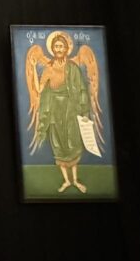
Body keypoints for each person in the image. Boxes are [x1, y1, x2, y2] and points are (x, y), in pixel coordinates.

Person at [27, 31, 99, 194]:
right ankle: (66, 181)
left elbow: (82, 90)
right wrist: (34, 70)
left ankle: (75, 180)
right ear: (52, 49)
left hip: (71, 109)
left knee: (73, 142)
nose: (59, 49)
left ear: (66, 49)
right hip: (55, 111)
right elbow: (39, 89)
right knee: (58, 143)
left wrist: (84, 111)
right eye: (56, 46)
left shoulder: (73, 68)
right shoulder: (48, 69)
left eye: (61, 46)